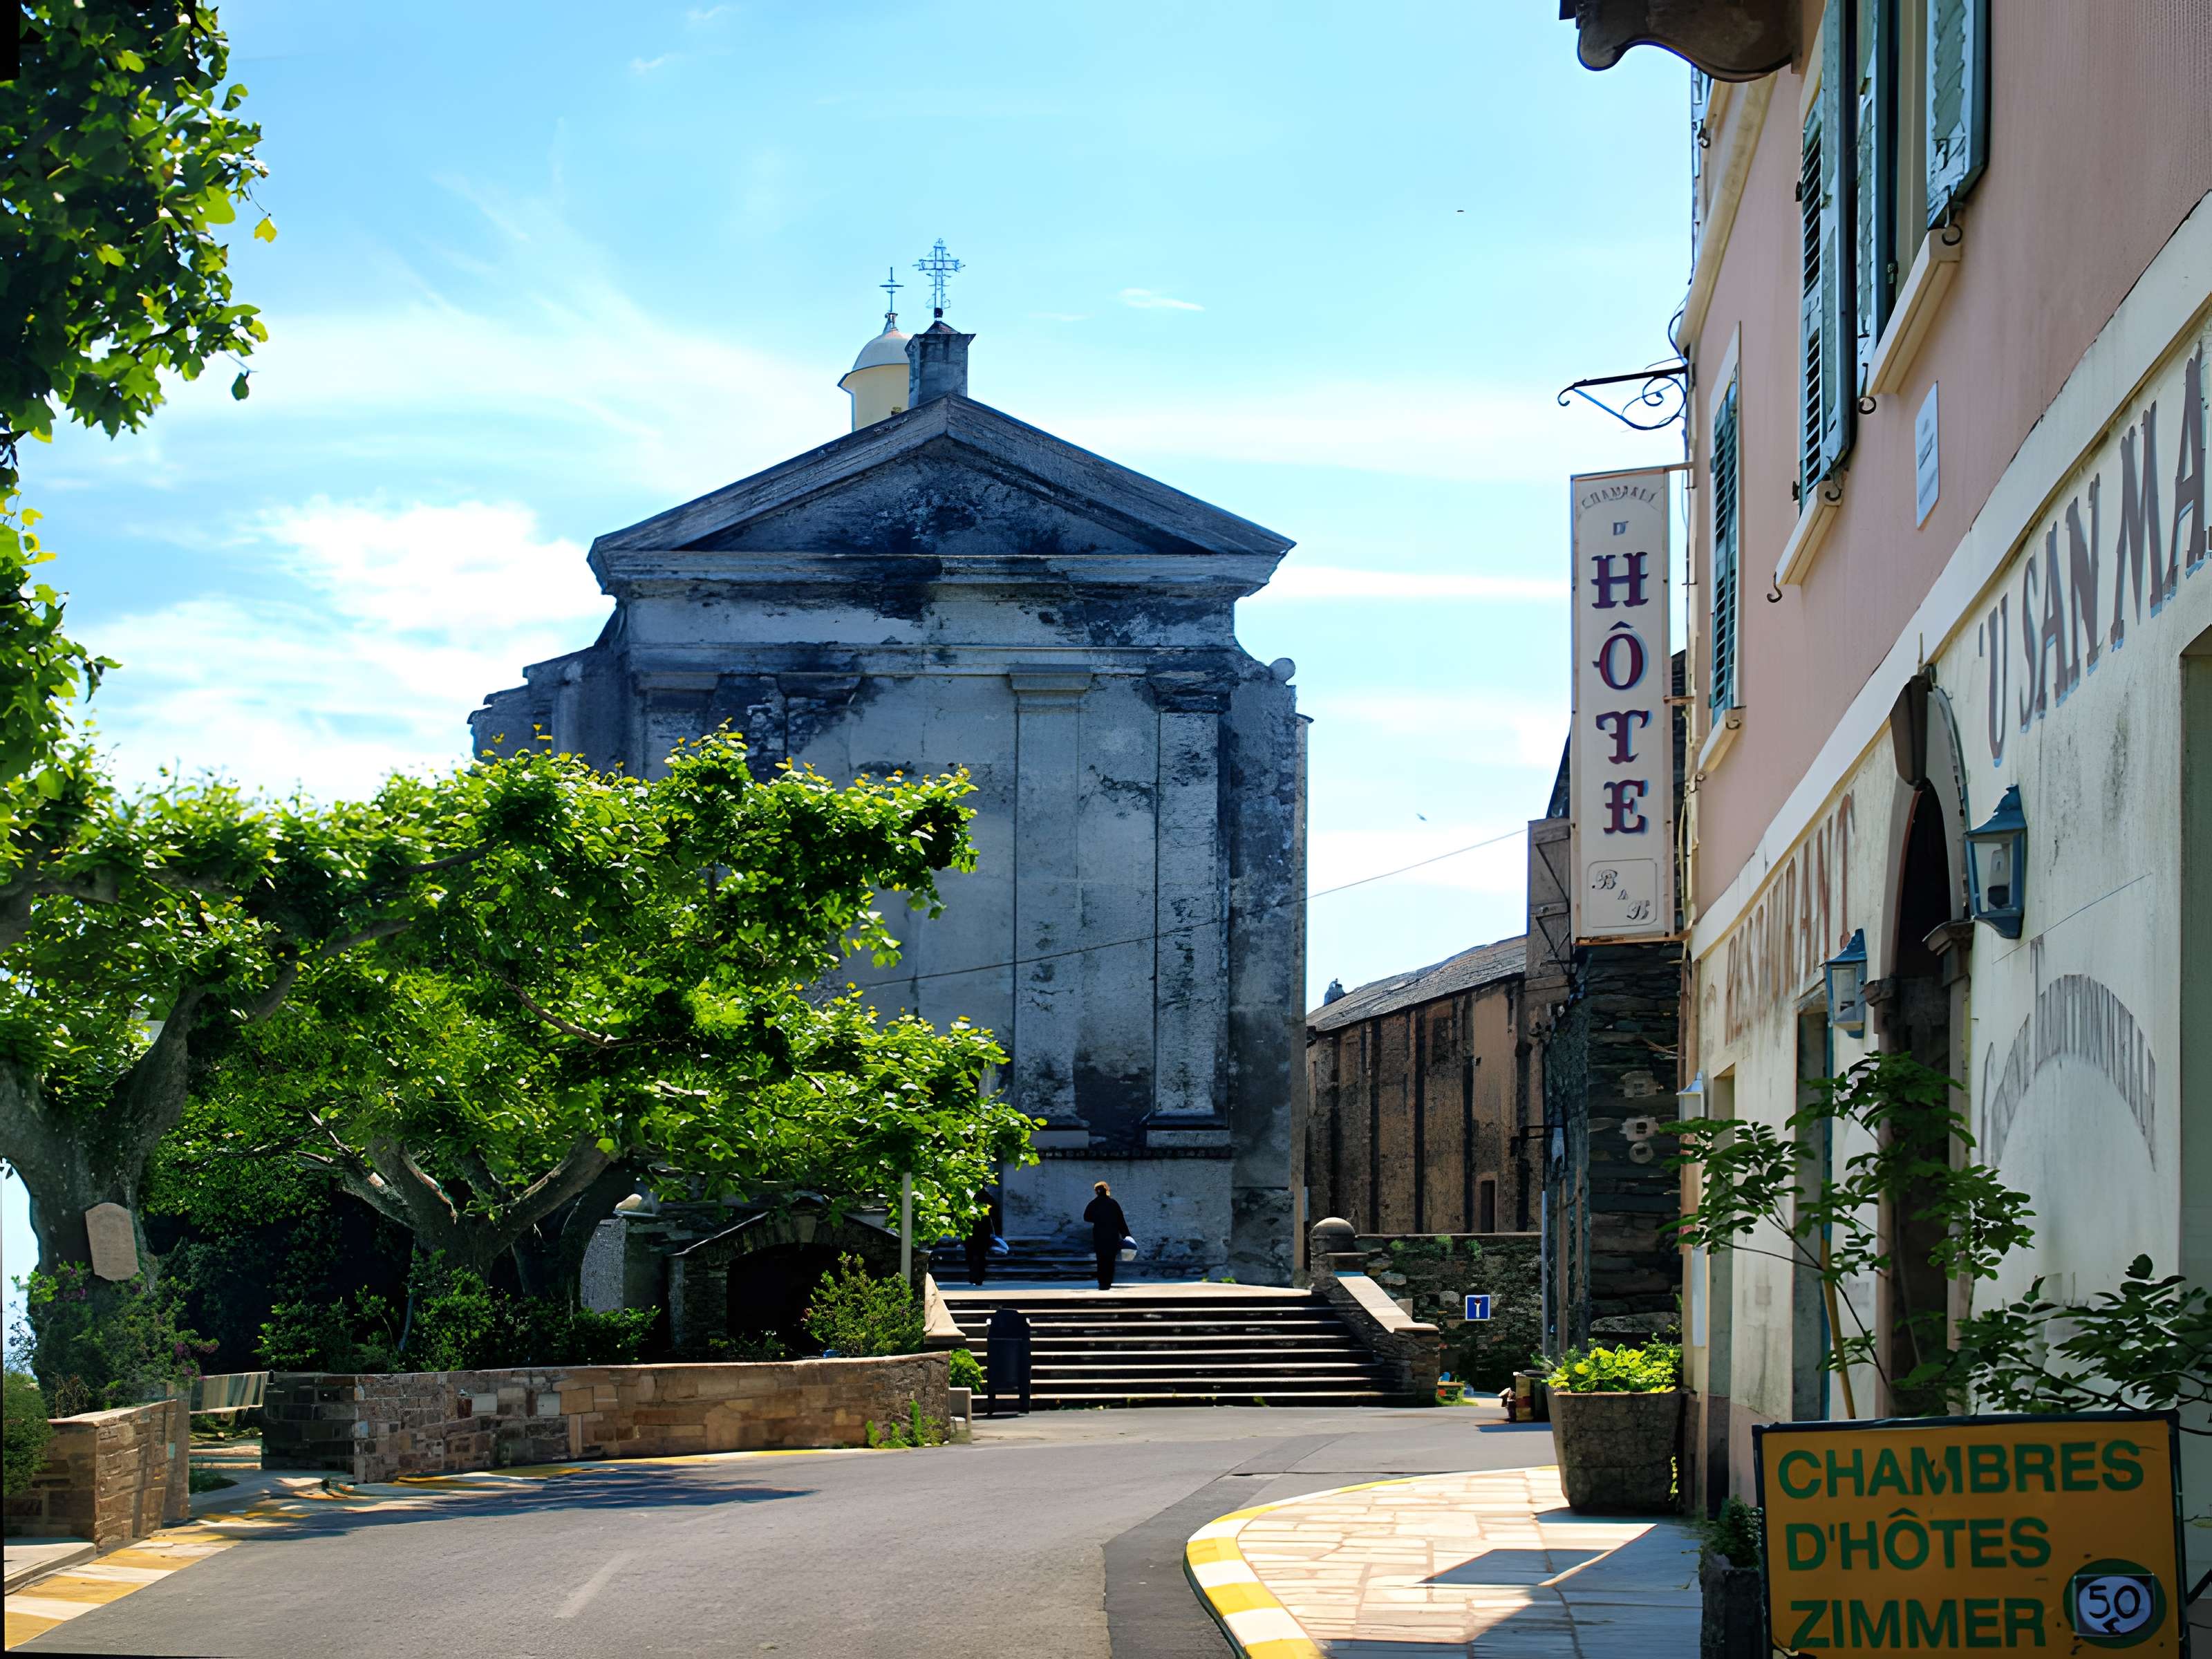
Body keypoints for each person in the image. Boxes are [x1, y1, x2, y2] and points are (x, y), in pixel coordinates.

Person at [1083, 1180, 1129, 1291]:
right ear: (1107, 1190)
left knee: (1101, 1259)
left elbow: (1086, 1217)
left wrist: (1098, 1219)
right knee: (1110, 1259)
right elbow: (1121, 1220)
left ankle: (1102, 1282)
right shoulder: (1113, 1203)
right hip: (1112, 1235)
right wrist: (1126, 1235)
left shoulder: (1093, 1203)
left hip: (1099, 1235)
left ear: (1096, 1192)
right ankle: (1108, 1282)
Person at [963, 1188, 994, 1287]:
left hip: (973, 1234)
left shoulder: (969, 1199)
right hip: (982, 1234)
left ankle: (975, 1276)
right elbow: (993, 1217)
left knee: (972, 1256)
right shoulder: (987, 1198)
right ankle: (979, 1277)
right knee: (980, 1256)